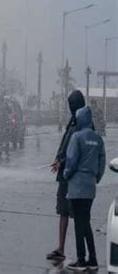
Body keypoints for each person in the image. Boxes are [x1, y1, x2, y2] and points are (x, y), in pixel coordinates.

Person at [64, 106, 106, 271]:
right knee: (86, 221)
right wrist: (96, 177)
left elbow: (71, 160)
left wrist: (67, 175)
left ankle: (81, 260)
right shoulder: (97, 139)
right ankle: (93, 258)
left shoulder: (77, 137)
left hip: (77, 186)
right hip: (90, 186)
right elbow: (102, 162)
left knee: (79, 224)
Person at [47, 90, 85, 261]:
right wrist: (58, 159)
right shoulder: (73, 121)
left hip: (74, 177)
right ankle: (60, 248)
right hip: (64, 175)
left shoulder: (82, 124)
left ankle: (81, 255)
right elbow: (66, 144)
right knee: (63, 211)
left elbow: (75, 150)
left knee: (76, 215)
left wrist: (62, 161)